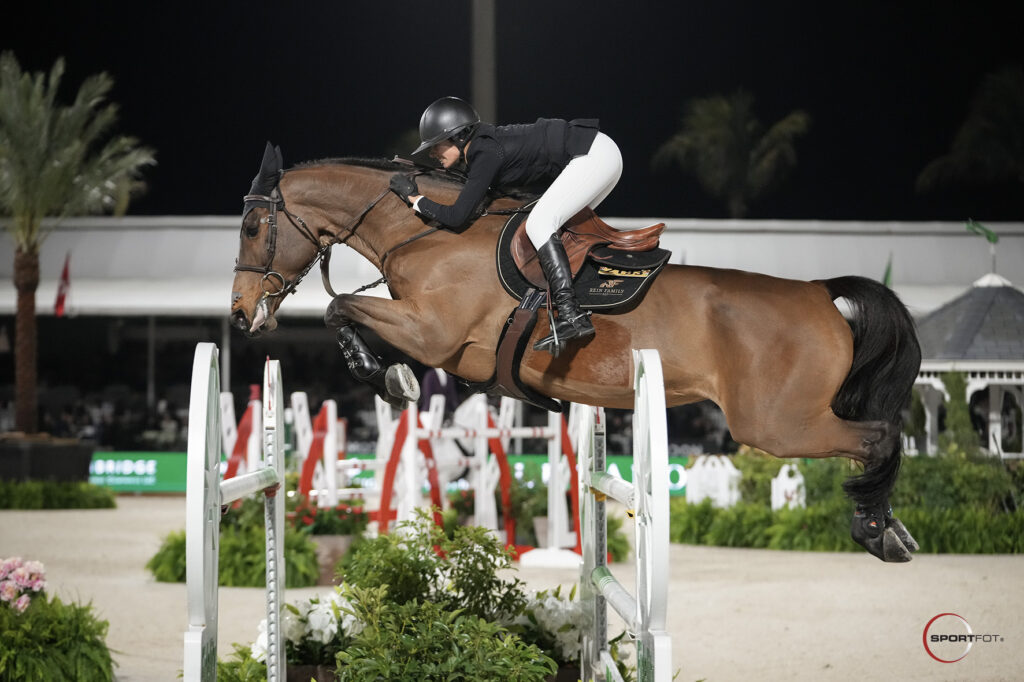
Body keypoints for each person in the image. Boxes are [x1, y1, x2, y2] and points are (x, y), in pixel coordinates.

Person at [388, 96, 623, 357]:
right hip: (598, 153)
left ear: (459, 136)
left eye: (436, 145)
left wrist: (415, 199)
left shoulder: (485, 151)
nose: (433, 153)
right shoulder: (483, 148)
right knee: (559, 228)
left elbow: (456, 217)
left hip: (593, 155)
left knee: (540, 223)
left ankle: (570, 314)